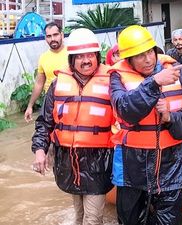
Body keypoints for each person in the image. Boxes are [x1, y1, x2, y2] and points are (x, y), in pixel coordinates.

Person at [109, 25, 182, 225]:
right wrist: (154, 83)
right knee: (130, 220)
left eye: (149, 52)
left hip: (172, 162)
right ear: (128, 60)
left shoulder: (175, 71)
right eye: (139, 56)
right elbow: (125, 109)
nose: (148, 59)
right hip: (133, 162)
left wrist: (170, 117)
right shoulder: (117, 77)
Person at [31, 28, 114, 224]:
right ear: (72, 60)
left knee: (92, 219)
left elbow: (128, 112)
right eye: (80, 56)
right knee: (78, 216)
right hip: (68, 160)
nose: (86, 60)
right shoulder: (58, 84)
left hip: (99, 160)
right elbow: (45, 121)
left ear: (97, 56)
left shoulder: (112, 81)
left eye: (90, 55)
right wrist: (40, 151)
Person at [24, 22, 68, 122]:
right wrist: (30, 106)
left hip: (69, 101)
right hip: (50, 103)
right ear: (45, 38)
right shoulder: (43, 58)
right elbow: (39, 83)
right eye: (49, 36)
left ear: (62, 35)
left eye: (55, 35)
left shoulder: (71, 55)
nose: (52, 39)